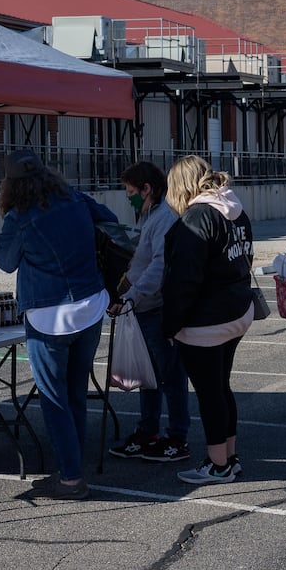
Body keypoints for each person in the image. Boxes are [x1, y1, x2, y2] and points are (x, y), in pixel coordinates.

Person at [0, 148, 118, 500]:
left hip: (49, 316)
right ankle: (72, 466)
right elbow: (109, 220)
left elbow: (4, 263)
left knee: (54, 398)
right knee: (76, 393)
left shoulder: (20, 216)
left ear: (11, 184)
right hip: (91, 306)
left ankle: (70, 477)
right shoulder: (75, 198)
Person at [161, 157, 255, 485]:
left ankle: (218, 465)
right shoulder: (234, 209)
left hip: (206, 320)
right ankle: (229, 457)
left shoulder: (197, 217)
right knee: (221, 387)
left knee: (209, 392)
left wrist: (170, 325)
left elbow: (182, 279)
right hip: (236, 311)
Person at [108, 161, 192, 464]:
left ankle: (177, 436)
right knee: (149, 376)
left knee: (170, 376)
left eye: (132, 192)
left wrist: (132, 295)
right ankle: (148, 431)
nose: (128, 197)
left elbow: (158, 265)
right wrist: (125, 287)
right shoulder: (150, 215)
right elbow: (142, 260)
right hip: (143, 307)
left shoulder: (164, 217)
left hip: (156, 308)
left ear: (148, 189)